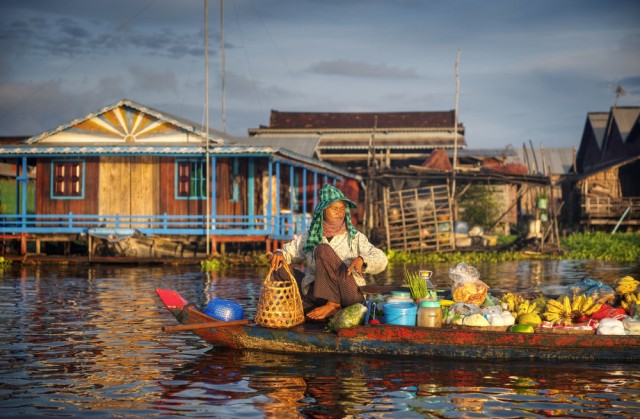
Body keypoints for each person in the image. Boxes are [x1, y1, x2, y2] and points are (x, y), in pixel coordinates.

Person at [268, 184, 388, 321]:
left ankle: (334, 305)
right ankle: (310, 307)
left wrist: (363, 260)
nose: (340, 213)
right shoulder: (310, 236)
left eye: (342, 209)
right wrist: (279, 254)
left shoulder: (355, 237)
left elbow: (382, 258)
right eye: (335, 208)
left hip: (348, 293)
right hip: (319, 295)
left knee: (322, 249)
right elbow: (289, 251)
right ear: (324, 210)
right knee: (278, 267)